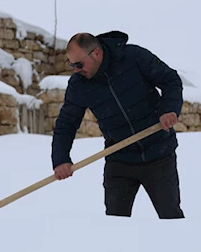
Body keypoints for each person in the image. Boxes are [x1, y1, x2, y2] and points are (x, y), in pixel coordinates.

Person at [51, 31, 185, 219]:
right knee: (115, 224)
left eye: (79, 64)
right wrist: (61, 159)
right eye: (71, 65)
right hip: (120, 159)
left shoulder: (133, 57)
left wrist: (169, 109)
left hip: (159, 153)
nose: (76, 70)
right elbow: (66, 123)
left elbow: (170, 80)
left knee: (171, 219)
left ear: (96, 53)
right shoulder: (79, 85)